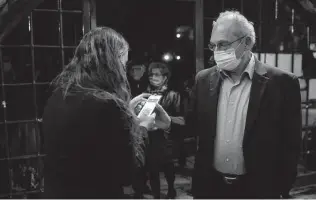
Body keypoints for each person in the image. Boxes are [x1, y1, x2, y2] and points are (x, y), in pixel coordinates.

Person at [183, 11, 302, 198]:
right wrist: (167, 122)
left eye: (223, 44)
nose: (216, 51)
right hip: (211, 187)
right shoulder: (204, 79)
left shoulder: (282, 83)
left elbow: (291, 143)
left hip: (258, 189)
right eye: (213, 45)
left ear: (247, 43)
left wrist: (280, 188)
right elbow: (192, 125)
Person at [41, 27, 171, 198]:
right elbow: (126, 172)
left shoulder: (59, 94)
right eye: (123, 65)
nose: (124, 72)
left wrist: (127, 113)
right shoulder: (108, 105)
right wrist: (142, 127)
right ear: (112, 63)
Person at [134, 62, 184, 199]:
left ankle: (171, 190)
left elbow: (182, 119)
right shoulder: (144, 94)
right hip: (149, 137)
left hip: (166, 137)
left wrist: (163, 120)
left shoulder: (174, 95)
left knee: (168, 167)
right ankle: (156, 195)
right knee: (152, 169)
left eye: (157, 74)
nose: (152, 77)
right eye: (151, 74)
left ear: (165, 77)